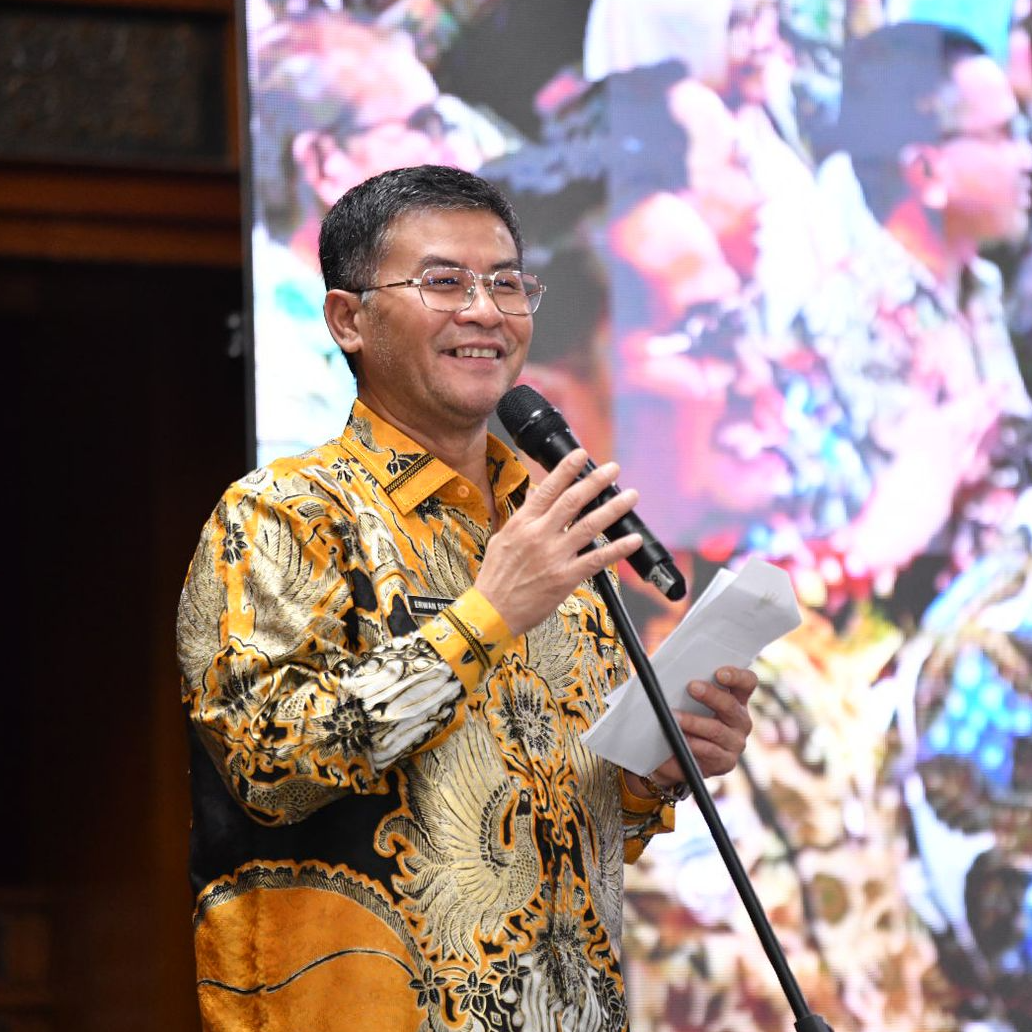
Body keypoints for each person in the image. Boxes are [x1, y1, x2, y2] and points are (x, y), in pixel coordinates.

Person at [177, 164, 759, 1032]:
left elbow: (567, 827)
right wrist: (487, 617)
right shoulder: (284, 514)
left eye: (507, 284)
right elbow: (268, 764)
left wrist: (655, 773)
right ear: (347, 320)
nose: (485, 310)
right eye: (444, 282)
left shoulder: (553, 529)